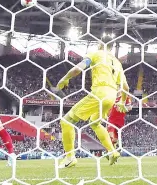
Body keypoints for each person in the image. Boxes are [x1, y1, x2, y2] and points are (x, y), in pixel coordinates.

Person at [55, 36, 129, 168]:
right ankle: (112, 151)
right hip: (112, 96)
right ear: (112, 46)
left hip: (99, 93)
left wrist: (64, 79)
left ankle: (70, 157)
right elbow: (125, 87)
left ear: (100, 43)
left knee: (66, 121)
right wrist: (122, 102)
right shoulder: (117, 62)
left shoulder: (95, 54)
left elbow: (78, 69)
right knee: (95, 123)